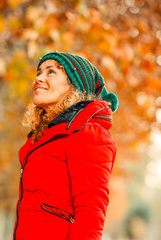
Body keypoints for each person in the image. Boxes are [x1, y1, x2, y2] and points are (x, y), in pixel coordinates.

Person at [13, 52, 118, 240]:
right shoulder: (44, 137)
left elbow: (91, 211)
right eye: (39, 72)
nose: (39, 78)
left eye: (50, 72)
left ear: (74, 86)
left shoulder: (88, 134)